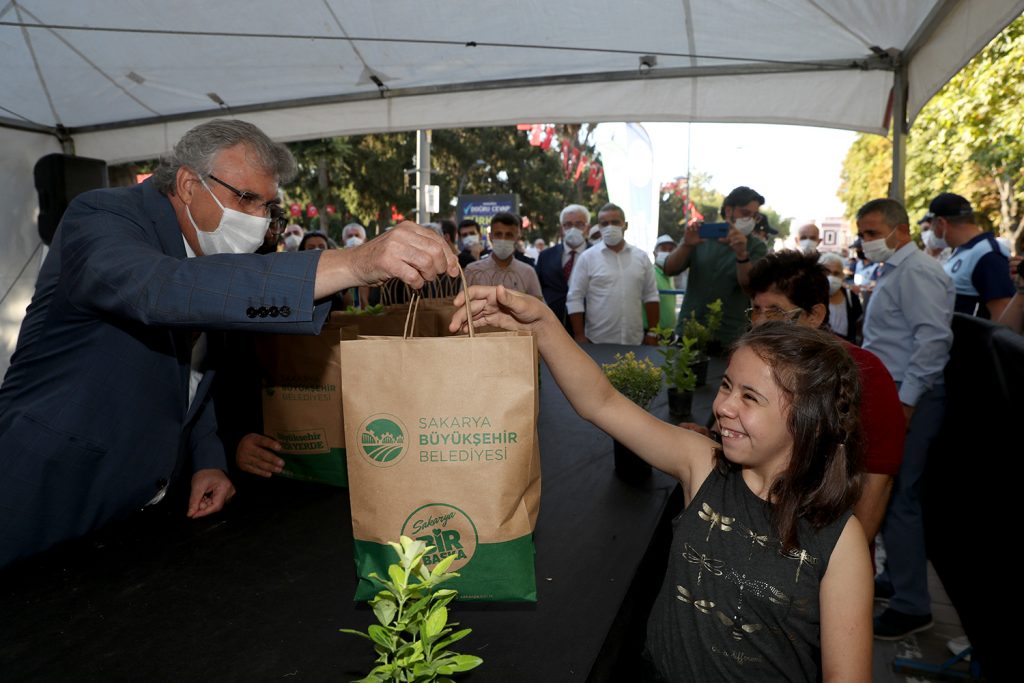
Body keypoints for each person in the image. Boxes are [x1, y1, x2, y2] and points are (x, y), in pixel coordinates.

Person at [0, 118, 458, 568]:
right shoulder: (101, 216)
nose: (258, 220)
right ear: (187, 184)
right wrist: (355, 264)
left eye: (267, 206)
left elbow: (190, 372)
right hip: (45, 483)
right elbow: (159, 292)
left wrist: (207, 458)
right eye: (246, 199)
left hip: (144, 504)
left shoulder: (212, 254)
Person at [450, 286, 872, 681]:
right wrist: (542, 324)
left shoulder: (839, 541)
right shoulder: (703, 466)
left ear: (809, 419)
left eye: (749, 397)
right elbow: (601, 401)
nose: (723, 406)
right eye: (726, 386)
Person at [746, 251, 904, 544]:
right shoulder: (754, 362)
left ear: (815, 315)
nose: (761, 323)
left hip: (822, 546)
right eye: (756, 309)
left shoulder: (866, 373)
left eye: (776, 312)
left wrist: (844, 566)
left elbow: (876, 482)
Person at [856, 198, 954, 640]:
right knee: (889, 491)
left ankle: (913, 605)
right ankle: (898, 581)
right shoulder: (895, 270)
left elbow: (932, 341)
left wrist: (907, 403)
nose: (866, 241)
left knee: (897, 496)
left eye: (873, 232)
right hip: (894, 393)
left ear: (901, 230)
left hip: (908, 395)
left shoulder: (916, 271)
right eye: (863, 232)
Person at [664, 186, 770, 347]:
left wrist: (742, 254)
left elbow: (750, 285)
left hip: (729, 336)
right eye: (745, 213)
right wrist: (686, 244)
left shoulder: (756, 246)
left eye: (754, 216)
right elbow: (669, 269)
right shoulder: (701, 236)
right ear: (728, 211)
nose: (749, 220)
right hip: (689, 330)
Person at [566, 203, 660, 345]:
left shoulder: (641, 257)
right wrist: (579, 336)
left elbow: (651, 295)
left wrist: (653, 332)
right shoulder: (587, 258)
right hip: (597, 341)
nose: (610, 227)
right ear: (599, 227)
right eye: (605, 223)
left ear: (625, 225)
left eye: (615, 222)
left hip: (634, 340)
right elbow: (575, 298)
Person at [928, 192, 1015, 320]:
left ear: (941, 223)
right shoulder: (964, 251)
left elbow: (1003, 315)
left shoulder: (988, 255)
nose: (931, 232)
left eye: (931, 225)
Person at [536, 204, 590, 332]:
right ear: (561, 228)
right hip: (552, 325)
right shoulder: (545, 256)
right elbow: (538, 289)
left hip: (589, 325)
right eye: (568, 225)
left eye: (579, 224)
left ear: (587, 227)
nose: (573, 229)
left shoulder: (597, 255)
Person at [464, 212, 542, 297]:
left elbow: (539, 306)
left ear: (517, 238)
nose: (503, 239)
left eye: (509, 235)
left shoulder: (527, 272)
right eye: (498, 234)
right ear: (490, 236)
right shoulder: (473, 271)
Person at [819, 252, 862, 344]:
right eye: (826, 272)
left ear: (842, 276)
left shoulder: (851, 297)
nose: (830, 278)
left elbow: (858, 324)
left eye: (836, 274)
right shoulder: (810, 298)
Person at [649, 234, 683, 331]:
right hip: (654, 332)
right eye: (663, 249)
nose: (667, 252)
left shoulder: (670, 276)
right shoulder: (650, 274)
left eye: (671, 250)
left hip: (669, 332)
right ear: (654, 253)